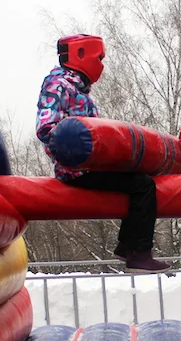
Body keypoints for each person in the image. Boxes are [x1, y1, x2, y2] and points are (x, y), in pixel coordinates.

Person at [36, 34, 170, 273]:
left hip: (92, 164)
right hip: (76, 170)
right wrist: (73, 152)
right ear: (81, 55)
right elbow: (45, 128)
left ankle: (125, 246)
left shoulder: (79, 89)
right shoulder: (57, 85)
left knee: (138, 174)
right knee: (143, 186)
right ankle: (138, 253)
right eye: (99, 58)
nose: (101, 64)